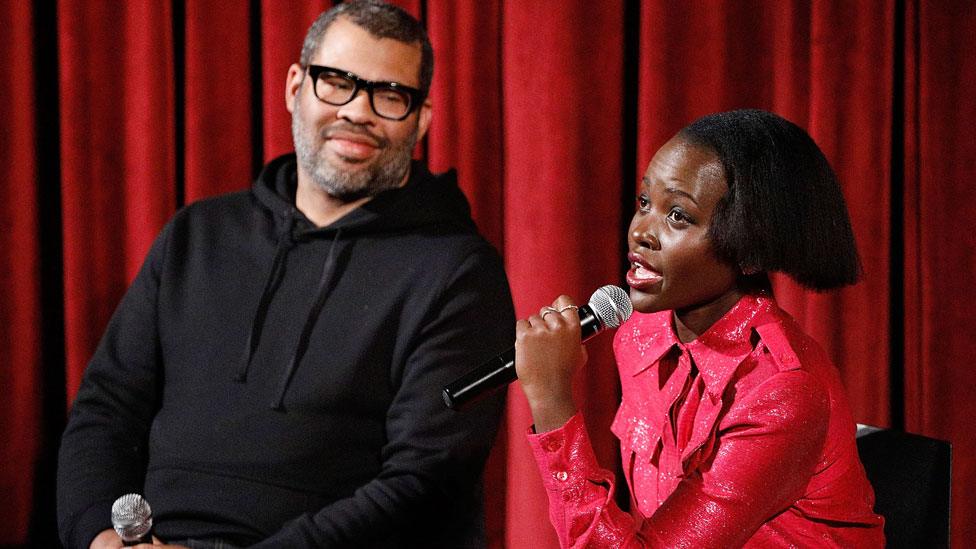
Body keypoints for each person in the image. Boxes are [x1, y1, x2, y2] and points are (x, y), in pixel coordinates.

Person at [56, 2, 514, 548]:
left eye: (389, 95)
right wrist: (99, 537)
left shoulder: (459, 273)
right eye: (336, 82)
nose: (358, 111)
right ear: (295, 86)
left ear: (422, 119)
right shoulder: (196, 235)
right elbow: (104, 412)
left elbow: (423, 483)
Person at [514, 109, 885, 547]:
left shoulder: (782, 392)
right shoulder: (639, 334)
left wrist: (553, 405)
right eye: (645, 203)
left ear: (750, 251)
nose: (640, 233)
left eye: (678, 217)